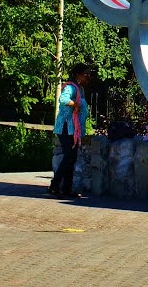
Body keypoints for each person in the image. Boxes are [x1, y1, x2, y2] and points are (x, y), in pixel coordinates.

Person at [49, 63, 91, 199]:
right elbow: (63, 99)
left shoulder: (80, 89)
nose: (88, 76)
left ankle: (66, 188)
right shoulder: (71, 87)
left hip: (73, 128)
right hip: (66, 127)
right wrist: (75, 104)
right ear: (78, 74)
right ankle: (55, 185)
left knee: (71, 158)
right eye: (86, 73)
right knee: (69, 157)